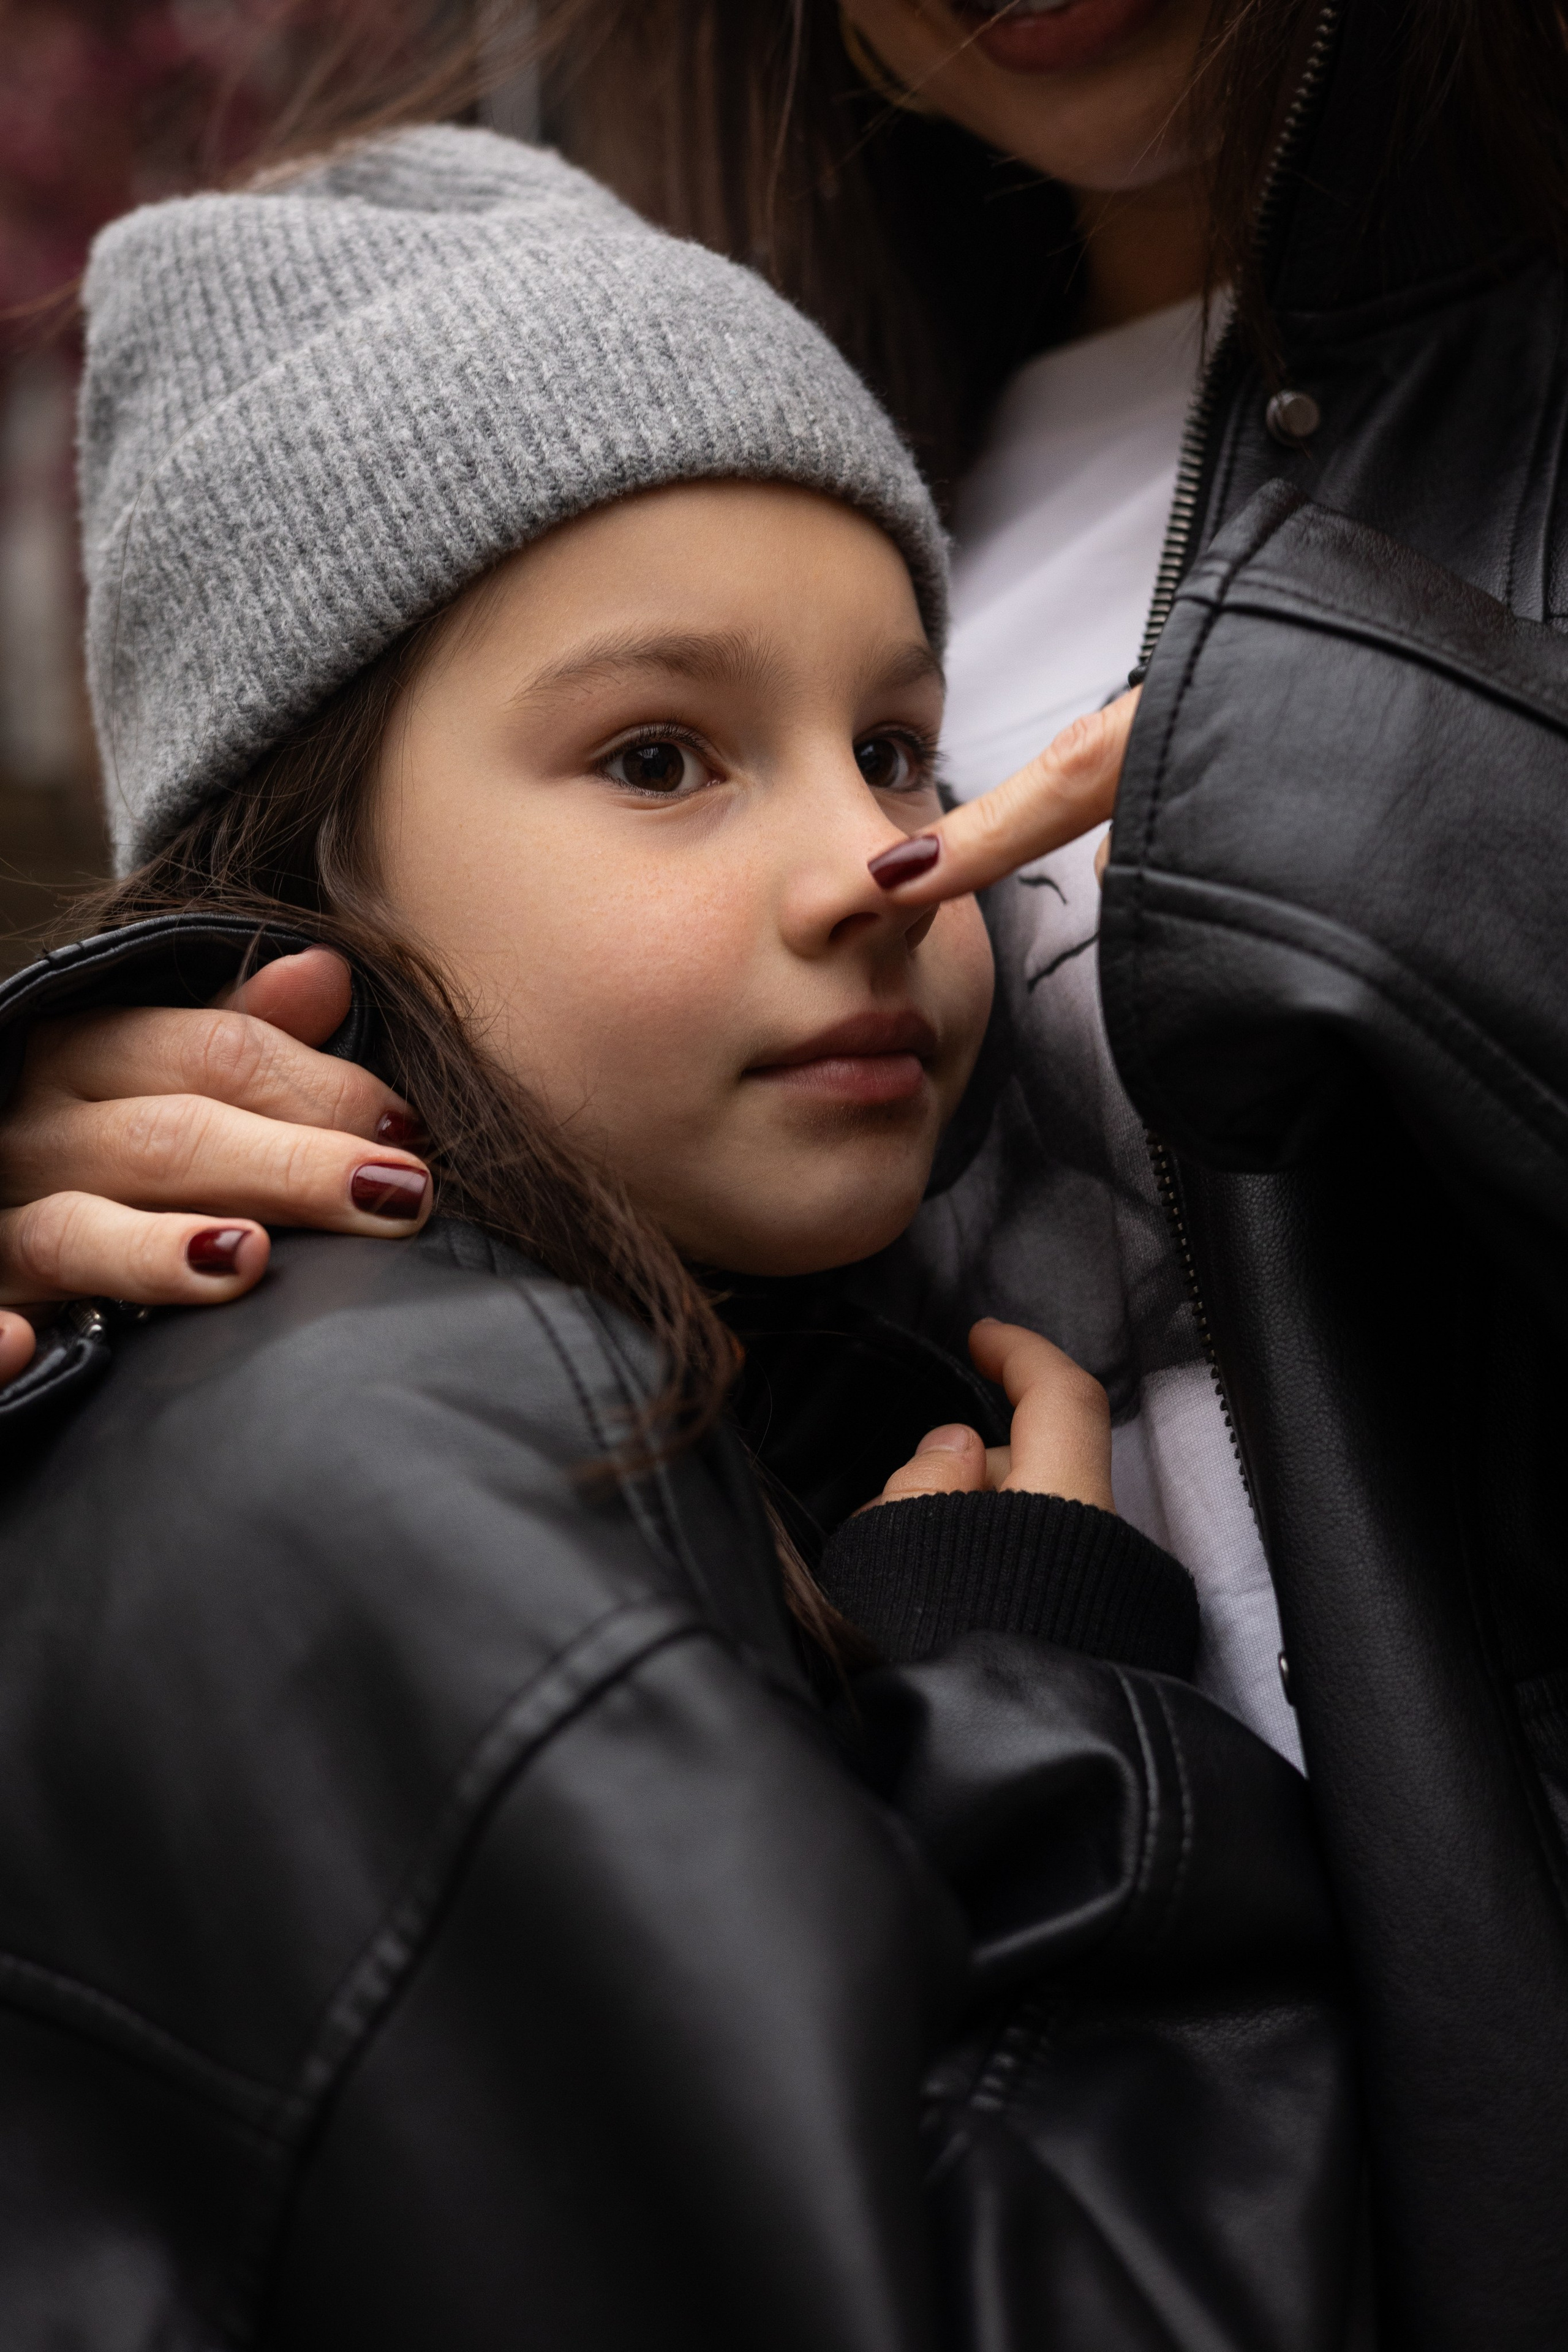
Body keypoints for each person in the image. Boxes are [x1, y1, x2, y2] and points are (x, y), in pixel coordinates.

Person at [0, 0, 1564, 2340]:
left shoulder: (644, 1381)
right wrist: (1051, 1693)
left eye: (903, 743)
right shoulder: (402, 1478)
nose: (889, 861)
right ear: (309, 873)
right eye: (659, 756)